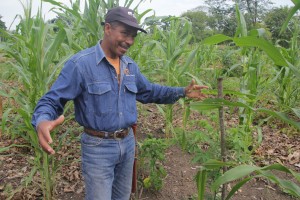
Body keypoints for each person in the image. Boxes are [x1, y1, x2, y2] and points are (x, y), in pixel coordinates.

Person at [32, 6, 208, 200]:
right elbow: (52, 99)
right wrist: (42, 120)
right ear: (108, 28)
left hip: (128, 142)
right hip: (97, 148)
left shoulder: (129, 66)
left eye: (133, 36)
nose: (129, 41)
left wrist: (182, 92)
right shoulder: (81, 64)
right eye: (125, 33)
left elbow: (148, 91)